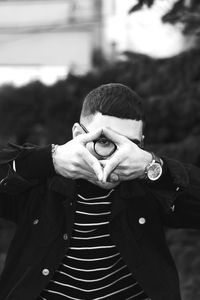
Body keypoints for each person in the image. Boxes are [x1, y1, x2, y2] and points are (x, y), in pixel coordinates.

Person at [0, 83, 199, 300]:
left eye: (129, 145)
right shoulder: (43, 184)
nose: (116, 159)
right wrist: (49, 159)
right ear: (77, 135)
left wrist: (155, 167)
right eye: (104, 142)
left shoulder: (148, 187)